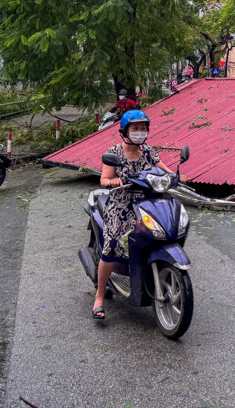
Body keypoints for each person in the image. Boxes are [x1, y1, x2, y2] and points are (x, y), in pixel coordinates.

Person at [92, 109, 172, 320]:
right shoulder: (114, 152)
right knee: (110, 247)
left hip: (147, 202)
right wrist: (112, 182)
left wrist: (176, 176)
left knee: (161, 233)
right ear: (124, 131)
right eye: (135, 128)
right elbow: (104, 179)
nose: (139, 132)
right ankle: (99, 296)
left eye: (143, 128)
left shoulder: (148, 151)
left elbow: (163, 169)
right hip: (121, 204)